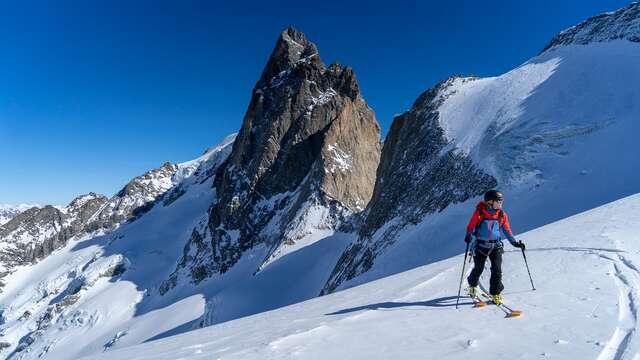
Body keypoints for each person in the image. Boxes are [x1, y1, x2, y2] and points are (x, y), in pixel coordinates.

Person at [464, 190, 525, 305]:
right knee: (479, 268)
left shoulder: (501, 215)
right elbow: (471, 226)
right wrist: (468, 236)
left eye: (501, 202)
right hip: (481, 245)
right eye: (498, 202)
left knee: (497, 270)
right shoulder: (480, 213)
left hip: (496, 246)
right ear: (489, 202)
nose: (500, 204)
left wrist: (514, 243)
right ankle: (472, 285)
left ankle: (496, 293)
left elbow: (507, 230)